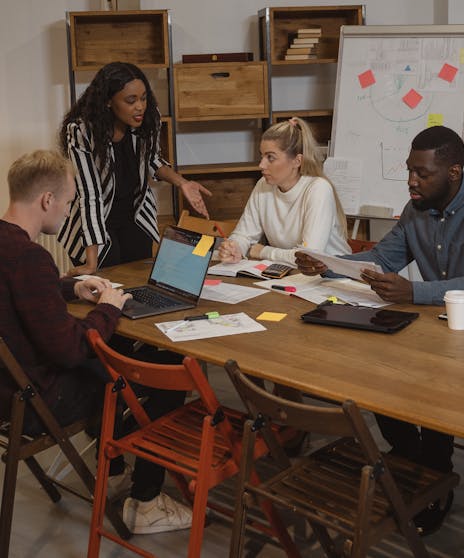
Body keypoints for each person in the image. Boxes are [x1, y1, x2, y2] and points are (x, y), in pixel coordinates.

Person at [296, 125, 464, 534]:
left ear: (454, 171)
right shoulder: (415, 208)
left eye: (423, 173)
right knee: (378, 372)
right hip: (435, 329)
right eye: (409, 170)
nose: (411, 181)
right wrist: (329, 262)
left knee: (439, 386)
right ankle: (411, 462)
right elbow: (383, 257)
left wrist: (417, 292)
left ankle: (435, 474)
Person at [0, 150, 192, 534]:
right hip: (38, 401)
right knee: (166, 373)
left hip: (6, 390)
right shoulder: (31, 258)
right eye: (69, 202)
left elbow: (22, 292)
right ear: (46, 200)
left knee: (119, 356)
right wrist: (108, 307)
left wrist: (74, 288)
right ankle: (147, 501)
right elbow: (71, 349)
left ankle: (116, 467)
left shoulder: (9, 248)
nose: (68, 211)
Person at [58, 61, 211, 276]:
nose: (140, 106)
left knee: (138, 283)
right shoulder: (82, 130)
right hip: (94, 223)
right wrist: (91, 262)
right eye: (131, 100)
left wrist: (182, 183)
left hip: (134, 215)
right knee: (106, 286)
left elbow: (153, 160)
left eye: (144, 97)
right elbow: (89, 195)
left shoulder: (149, 118)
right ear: (108, 101)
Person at [218, 116, 350, 267]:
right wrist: (236, 247)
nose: (261, 165)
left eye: (271, 158)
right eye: (262, 156)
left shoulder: (318, 189)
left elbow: (308, 257)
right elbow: (244, 234)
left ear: (297, 161)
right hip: (294, 274)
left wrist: (263, 252)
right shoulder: (264, 185)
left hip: (335, 278)